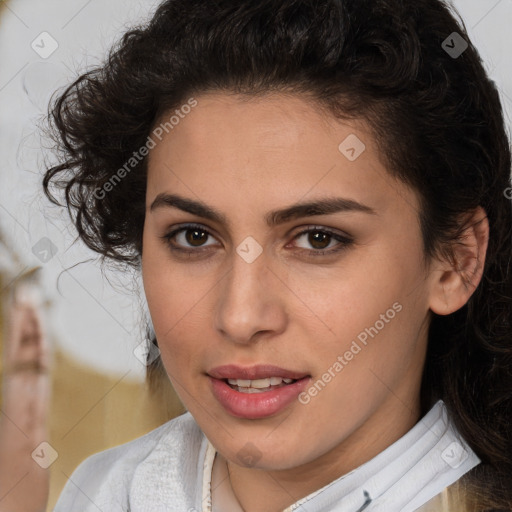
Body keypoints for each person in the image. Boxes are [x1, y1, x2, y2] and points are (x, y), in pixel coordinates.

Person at [43, 0, 512, 510]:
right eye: (194, 237)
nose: (240, 317)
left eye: (317, 239)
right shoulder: (102, 491)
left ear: (455, 262)